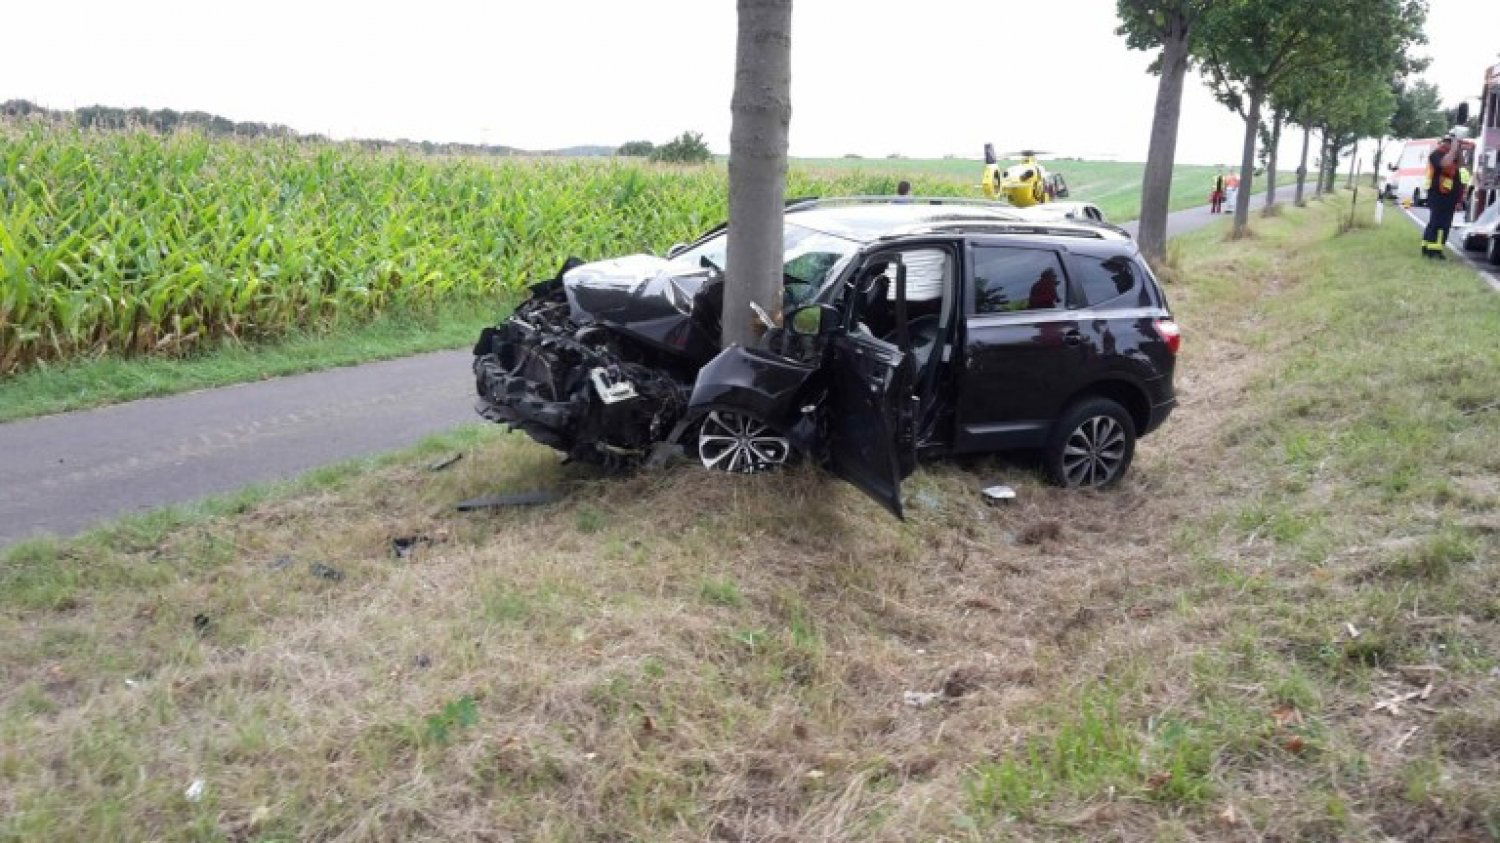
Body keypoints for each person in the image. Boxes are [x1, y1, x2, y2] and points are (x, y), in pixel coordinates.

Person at [1422, 135, 1463, 259]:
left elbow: (1461, 163)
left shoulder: (1452, 156)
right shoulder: (1436, 154)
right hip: (1438, 195)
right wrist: (1452, 150)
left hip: (1449, 197)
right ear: (1446, 143)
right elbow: (1444, 164)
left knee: (1444, 224)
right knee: (1437, 223)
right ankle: (1431, 250)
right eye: (1452, 144)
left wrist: (1458, 149)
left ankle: (1435, 249)